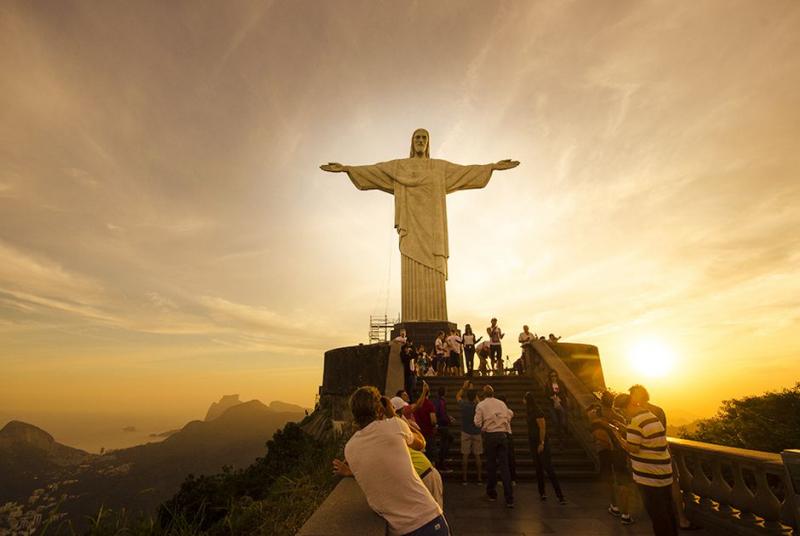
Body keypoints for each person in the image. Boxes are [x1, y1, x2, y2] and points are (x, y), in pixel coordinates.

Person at [332, 386, 449, 535]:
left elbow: (376, 469)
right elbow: (421, 443)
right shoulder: (395, 425)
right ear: (380, 409)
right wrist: (393, 415)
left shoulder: (349, 448)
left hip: (399, 530)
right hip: (429, 521)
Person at [629, 385, 699, 531]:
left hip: (653, 463)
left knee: (662, 499)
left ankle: (679, 519)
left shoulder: (644, 413)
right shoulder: (655, 410)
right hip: (662, 458)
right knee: (667, 495)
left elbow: (651, 438)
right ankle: (680, 519)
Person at [613, 393, 677, 536]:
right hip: (664, 472)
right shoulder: (650, 416)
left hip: (649, 476)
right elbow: (646, 439)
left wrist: (618, 438)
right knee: (667, 511)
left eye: (620, 410)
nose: (621, 413)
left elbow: (633, 448)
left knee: (657, 515)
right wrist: (626, 428)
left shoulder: (635, 422)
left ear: (627, 406)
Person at [384, 396, 444, 508]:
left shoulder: (394, 424)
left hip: (423, 474)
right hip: (424, 474)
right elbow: (421, 442)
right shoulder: (398, 424)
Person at [589, 394, 633, 524]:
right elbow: (625, 435)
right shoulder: (619, 417)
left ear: (601, 402)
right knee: (622, 481)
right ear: (613, 402)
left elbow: (592, 427)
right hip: (618, 451)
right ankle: (626, 514)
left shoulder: (594, 415)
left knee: (608, 478)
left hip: (603, 450)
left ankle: (614, 506)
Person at [474, 385, 514, 507]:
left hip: (490, 436)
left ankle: (492, 492)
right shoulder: (501, 404)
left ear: (483, 394)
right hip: (502, 435)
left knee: (491, 465)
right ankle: (509, 498)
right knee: (504, 467)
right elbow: (509, 415)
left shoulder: (481, 405)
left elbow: (477, 422)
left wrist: (486, 425)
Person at [524, 391, 566, 504]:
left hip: (540, 443)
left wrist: (541, 442)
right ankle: (542, 492)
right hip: (533, 442)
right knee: (538, 469)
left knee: (548, 468)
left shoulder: (538, 412)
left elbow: (542, 428)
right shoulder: (530, 412)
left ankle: (560, 495)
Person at [455, 381, 482, 485]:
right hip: (476, 431)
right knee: (477, 455)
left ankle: (464, 479)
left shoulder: (463, 404)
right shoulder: (478, 406)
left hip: (465, 431)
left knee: (465, 455)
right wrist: (475, 395)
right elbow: (479, 403)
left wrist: (464, 387)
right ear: (474, 396)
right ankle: (479, 479)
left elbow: (458, 396)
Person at [414, 381, 439, 463]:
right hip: (428, 433)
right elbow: (433, 421)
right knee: (431, 456)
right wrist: (435, 426)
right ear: (429, 393)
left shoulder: (415, 404)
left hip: (418, 433)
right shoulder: (429, 404)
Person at [544, 369, 568, 447]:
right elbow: (546, 395)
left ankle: (563, 439)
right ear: (550, 377)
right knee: (555, 421)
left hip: (561, 404)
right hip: (552, 405)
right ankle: (560, 440)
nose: (554, 377)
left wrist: (559, 398)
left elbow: (564, 393)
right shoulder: (548, 384)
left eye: (555, 375)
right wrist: (552, 397)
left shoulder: (560, 383)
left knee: (562, 423)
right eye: (552, 376)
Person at [496, 395, 517, 485]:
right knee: (505, 457)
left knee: (508, 457)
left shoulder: (508, 411)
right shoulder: (507, 411)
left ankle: (510, 478)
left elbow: (504, 420)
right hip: (504, 434)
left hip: (505, 434)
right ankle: (507, 478)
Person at [432, 386, 455, 471]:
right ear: (444, 392)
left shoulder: (438, 401)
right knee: (447, 441)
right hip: (442, 425)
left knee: (446, 441)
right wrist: (448, 420)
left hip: (441, 424)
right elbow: (441, 413)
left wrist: (449, 418)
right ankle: (442, 461)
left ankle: (443, 458)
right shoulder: (440, 402)